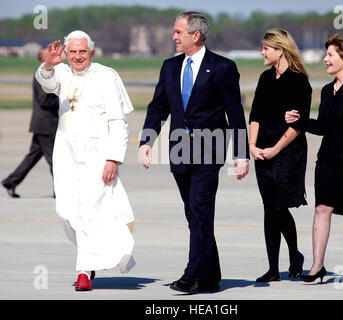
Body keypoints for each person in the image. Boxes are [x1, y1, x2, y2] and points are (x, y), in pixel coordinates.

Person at [138, 11, 249, 294]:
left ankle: (191, 274)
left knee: (200, 211)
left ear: (195, 35)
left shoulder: (222, 67)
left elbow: (235, 113)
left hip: (209, 151)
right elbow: (158, 107)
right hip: (179, 151)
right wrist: (146, 142)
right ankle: (211, 276)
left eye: (178, 32)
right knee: (194, 215)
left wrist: (241, 155)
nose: (173, 37)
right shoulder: (170, 67)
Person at [35, 30, 136, 291]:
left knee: (91, 212)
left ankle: (84, 271)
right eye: (73, 52)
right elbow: (45, 81)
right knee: (65, 211)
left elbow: (118, 121)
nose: (78, 56)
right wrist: (48, 64)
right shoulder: (63, 72)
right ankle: (95, 254)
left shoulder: (106, 75)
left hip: (97, 153)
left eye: (83, 51)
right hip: (66, 152)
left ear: (91, 52)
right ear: (66, 54)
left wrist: (113, 159)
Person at [285, 34, 343, 284]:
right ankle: (317, 266)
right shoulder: (326, 90)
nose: (325, 59)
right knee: (322, 209)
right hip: (327, 162)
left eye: (330, 55)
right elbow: (323, 126)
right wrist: (300, 121)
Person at [248, 29, 312, 282]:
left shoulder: (299, 81)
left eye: (265, 48)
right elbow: (255, 115)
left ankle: (295, 255)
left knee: (278, 205)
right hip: (262, 149)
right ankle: (273, 268)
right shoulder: (265, 78)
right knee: (269, 208)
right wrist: (252, 146)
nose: (261, 52)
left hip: (288, 152)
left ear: (279, 50)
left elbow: (298, 124)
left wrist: (275, 149)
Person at [2, 47, 59, 198]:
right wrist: (62, 98)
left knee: (32, 157)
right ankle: (60, 189)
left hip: (44, 123)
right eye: (49, 52)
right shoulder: (41, 75)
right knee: (55, 158)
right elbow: (44, 100)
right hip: (46, 124)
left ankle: (11, 182)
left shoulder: (49, 74)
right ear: (43, 58)